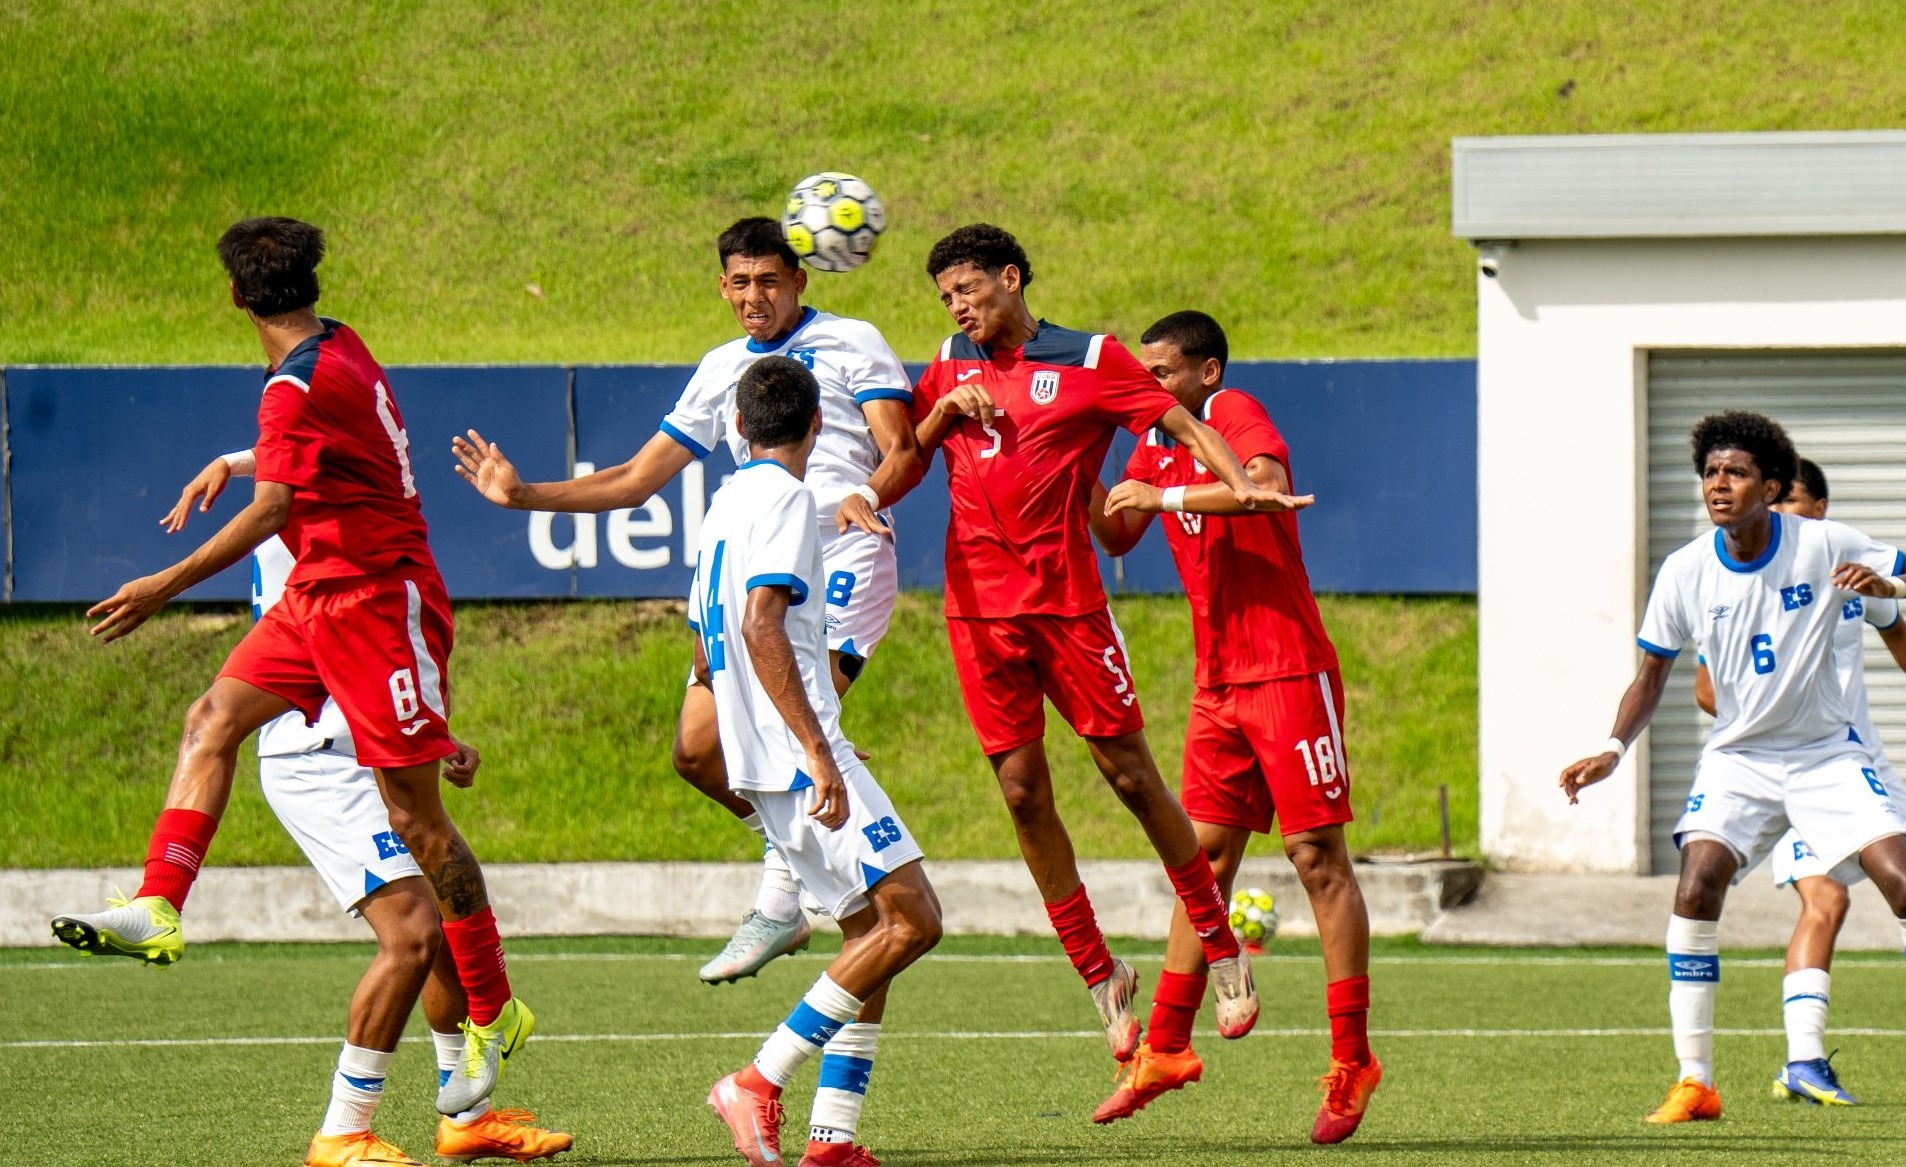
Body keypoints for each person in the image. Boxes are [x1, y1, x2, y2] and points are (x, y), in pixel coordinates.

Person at [50, 217, 531, 1119]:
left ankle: (497, 1006)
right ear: (313, 282)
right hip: (316, 600)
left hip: (381, 603)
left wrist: (165, 581)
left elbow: (277, 502)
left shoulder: (288, 391)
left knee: (417, 824)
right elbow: (308, 451)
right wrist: (234, 461)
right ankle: (161, 902)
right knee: (211, 719)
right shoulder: (337, 346)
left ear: (234, 297)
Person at [452, 217, 924, 984]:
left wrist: (863, 493)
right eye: (739, 282)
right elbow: (636, 479)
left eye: (769, 279)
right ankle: (800, 868)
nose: (754, 296)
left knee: (791, 730)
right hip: (753, 565)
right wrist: (522, 495)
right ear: (722, 286)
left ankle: (785, 899)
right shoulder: (720, 370)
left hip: (845, 554)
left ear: (799, 280)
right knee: (697, 752)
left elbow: (902, 447)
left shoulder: (852, 340)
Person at [910, 224, 1302, 1063]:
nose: (957, 307)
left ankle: (1219, 940)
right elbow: (904, 462)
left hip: (1068, 609)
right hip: (978, 613)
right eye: (946, 297)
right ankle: (1099, 973)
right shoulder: (948, 362)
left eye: (968, 290)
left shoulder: (1092, 357)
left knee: (1130, 775)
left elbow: (1181, 425)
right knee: (1020, 794)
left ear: (1011, 279)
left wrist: (1239, 484)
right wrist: (938, 410)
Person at [157, 453, 573, 1166]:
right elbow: (341, 627)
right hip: (317, 751)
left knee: (440, 918)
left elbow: (377, 653)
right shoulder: (307, 513)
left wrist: (432, 737)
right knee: (412, 931)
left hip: (364, 738)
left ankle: (465, 1116)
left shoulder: (326, 504)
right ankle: (343, 1129)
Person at [1560, 410, 1906, 1124]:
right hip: (1740, 758)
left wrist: (1889, 590)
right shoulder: (1685, 570)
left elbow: (1898, 588)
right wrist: (1613, 748)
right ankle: (1696, 1081)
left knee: (1901, 881)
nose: (1719, 483)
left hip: (1827, 754)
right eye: (1711, 472)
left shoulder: (1824, 542)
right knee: (1698, 880)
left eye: (1736, 472)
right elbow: (1652, 676)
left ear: (1771, 485)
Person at [1086, 311, 1379, 1142]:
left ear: (1207, 371)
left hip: (1289, 669)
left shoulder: (1234, 410)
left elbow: (1256, 489)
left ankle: (1352, 1060)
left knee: (1316, 856)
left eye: (1164, 372)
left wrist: (1166, 490)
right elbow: (1115, 529)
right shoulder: (1151, 439)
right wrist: (1074, 455)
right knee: (1202, 860)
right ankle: (1166, 1049)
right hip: (1218, 682)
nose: (1151, 386)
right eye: (1141, 374)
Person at [692, 357, 942, 1167]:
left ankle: (831, 1137)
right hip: (797, 757)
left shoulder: (723, 501)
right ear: (817, 430)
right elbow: (765, 623)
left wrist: (788, 728)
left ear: (738, 428)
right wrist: (813, 742)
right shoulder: (791, 499)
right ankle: (759, 1080)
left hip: (762, 755)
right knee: (915, 919)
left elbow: (706, 638)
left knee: (869, 929)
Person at [1690, 457, 1906, 1107]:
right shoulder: (1739, 583)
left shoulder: (1846, 571)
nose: (1776, 517)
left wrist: (1890, 596)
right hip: (1783, 775)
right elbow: (1706, 688)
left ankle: (1802, 1064)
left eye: (1791, 504)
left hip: (1854, 770)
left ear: (1820, 510)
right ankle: (1804, 1061)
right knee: (1827, 903)